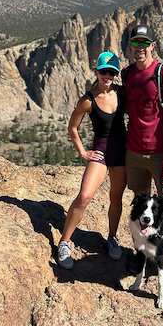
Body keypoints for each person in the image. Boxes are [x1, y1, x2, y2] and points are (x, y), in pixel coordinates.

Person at [123, 23, 163, 279]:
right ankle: (144, 257)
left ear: (152, 46)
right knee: (141, 209)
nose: (140, 47)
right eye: (136, 42)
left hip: (160, 155)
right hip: (134, 153)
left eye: (144, 43)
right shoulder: (126, 75)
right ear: (131, 45)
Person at [57, 51, 126, 270]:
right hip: (102, 152)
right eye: (104, 71)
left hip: (121, 152)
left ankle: (112, 238)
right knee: (85, 196)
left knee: (116, 198)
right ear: (96, 71)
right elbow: (72, 127)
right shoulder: (87, 101)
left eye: (112, 72)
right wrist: (83, 152)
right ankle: (64, 242)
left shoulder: (121, 93)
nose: (108, 75)